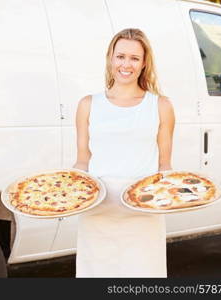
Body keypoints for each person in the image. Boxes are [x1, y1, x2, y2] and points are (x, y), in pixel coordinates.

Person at [73, 28, 175, 277]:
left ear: (143, 64)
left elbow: (165, 167)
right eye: (120, 56)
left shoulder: (161, 106)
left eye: (134, 58)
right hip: (97, 214)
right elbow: (82, 161)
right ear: (110, 58)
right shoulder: (88, 104)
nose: (126, 64)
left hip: (143, 214)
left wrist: (176, 194)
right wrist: (66, 194)